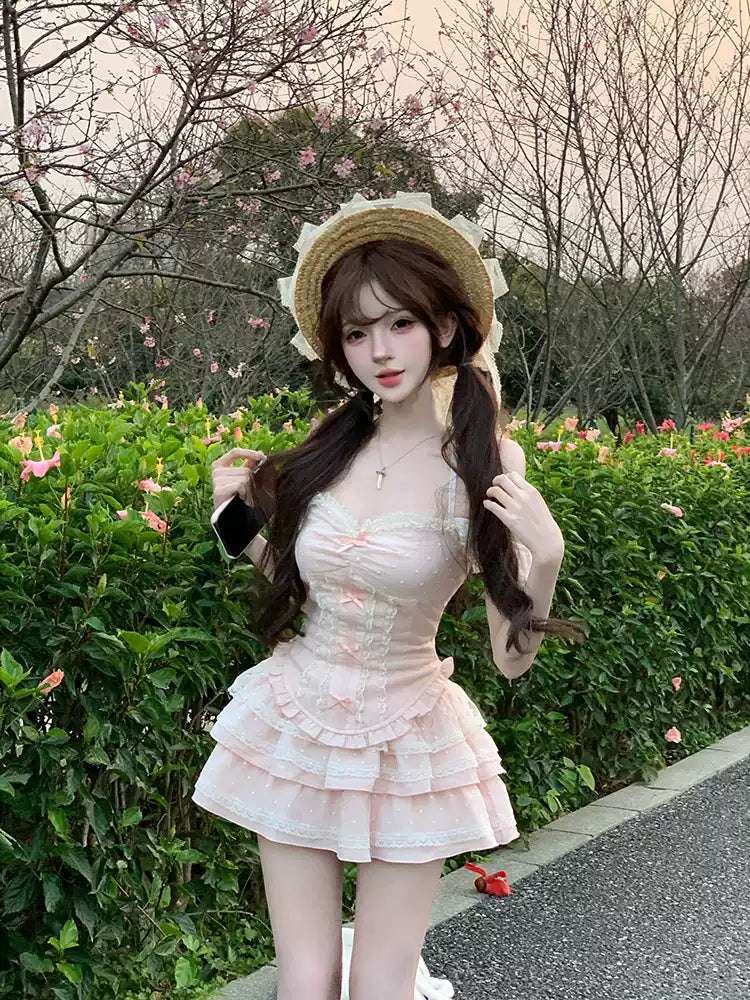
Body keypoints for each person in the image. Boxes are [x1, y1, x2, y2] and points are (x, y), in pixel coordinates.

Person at [192, 191, 584, 1000]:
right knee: (305, 982)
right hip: (296, 720)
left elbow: (510, 661)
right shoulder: (329, 448)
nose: (380, 350)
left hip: (409, 737)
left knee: (379, 985)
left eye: (399, 323)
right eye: (356, 333)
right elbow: (305, 584)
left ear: (443, 325)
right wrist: (234, 523)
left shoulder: (484, 463)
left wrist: (544, 556)